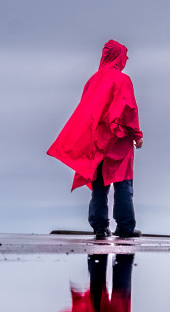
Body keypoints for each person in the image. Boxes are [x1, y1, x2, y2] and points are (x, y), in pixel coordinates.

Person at [47, 39, 143, 239]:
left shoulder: (92, 80)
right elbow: (129, 111)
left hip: (98, 142)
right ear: (118, 57)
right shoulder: (123, 80)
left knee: (99, 187)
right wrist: (137, 136)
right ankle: (125, 227)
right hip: (119, 141)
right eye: (124, 56)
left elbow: (86, 111)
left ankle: (100, 227)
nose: (125, 60)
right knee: (123, 185)